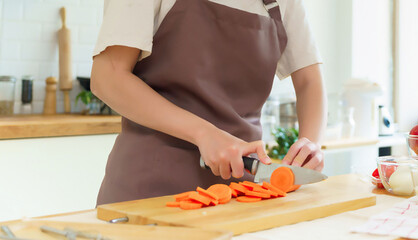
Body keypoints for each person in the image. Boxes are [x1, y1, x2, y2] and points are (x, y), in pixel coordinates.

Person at [91, 0, 326, 205]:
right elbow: (108, 77)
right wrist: (204, 133)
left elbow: (309, 82)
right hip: (149, 191)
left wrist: (311, 143)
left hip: (240, 195)